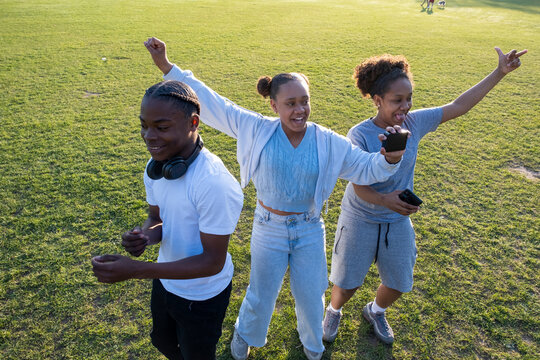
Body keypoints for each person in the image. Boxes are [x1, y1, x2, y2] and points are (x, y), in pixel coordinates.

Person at [144, 37, 407, 360]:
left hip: (310, 228)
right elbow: (215, 104)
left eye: (305, 102)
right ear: (274, 105)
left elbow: (366, 168)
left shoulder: (327, 141)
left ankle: (313, 346)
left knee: (311, 295)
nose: (300, 110)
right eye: (291, 103)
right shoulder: (256, 128)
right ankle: (246, 335)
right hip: (268, 226)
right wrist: (168, 68)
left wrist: (389, 159)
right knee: (261, 293)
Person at [322, 47, 527, 345]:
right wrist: (384, 200)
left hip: (397, 217)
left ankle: (375, 310)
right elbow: (358, 185)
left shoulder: (414, 123)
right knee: (347, 281)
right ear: (377, 100)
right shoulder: (359, 134)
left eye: (409, 98)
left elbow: (459, 105)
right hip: (361, 216)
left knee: (399, 281)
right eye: (397, 100)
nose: (405, 106)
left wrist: (499, 73)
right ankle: (334, 309)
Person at [91, 80, 244, 360]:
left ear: (193, 122)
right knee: (163, 342)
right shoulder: (157, 167)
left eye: (161, 127)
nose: (149, 136)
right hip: (165, 282)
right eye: (144, 125)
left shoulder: (214, 183)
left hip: (202, 296)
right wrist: (146, 236)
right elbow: (157, 218)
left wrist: (136, 269)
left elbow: (212, 261)